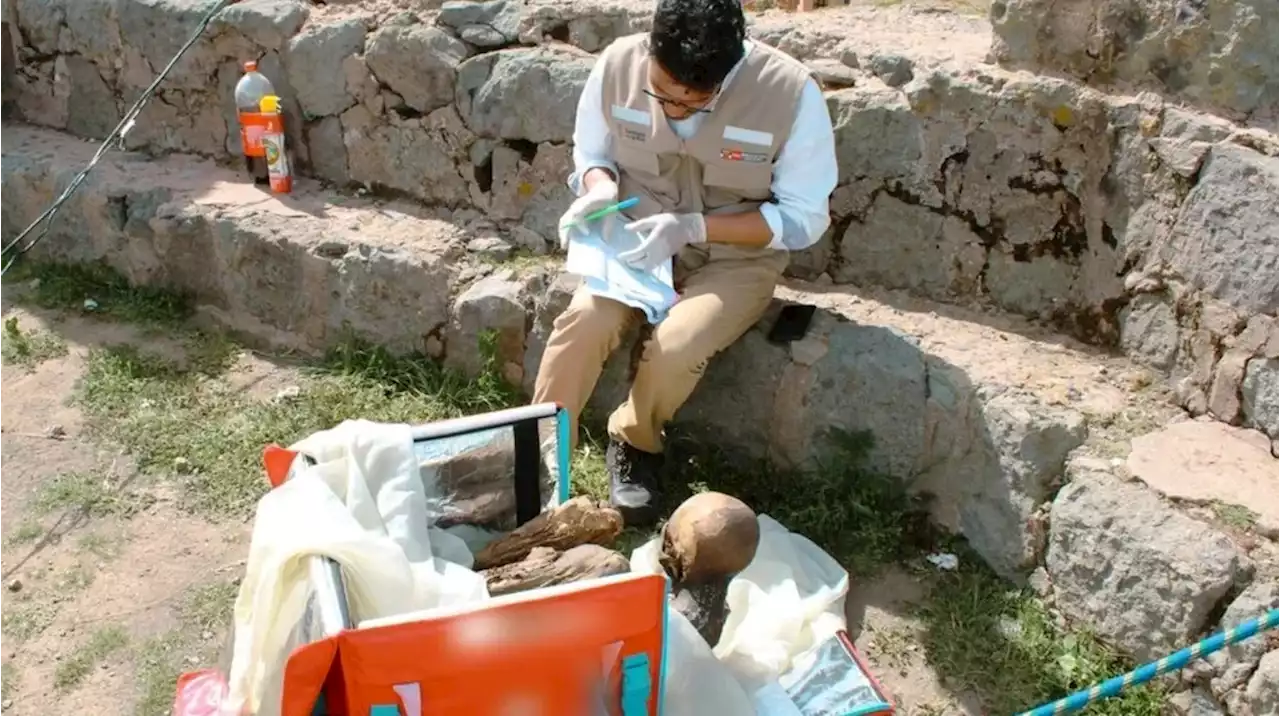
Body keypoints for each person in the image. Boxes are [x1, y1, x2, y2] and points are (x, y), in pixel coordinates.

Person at [532, 0, 839, 526]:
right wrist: (598, 188)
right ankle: (537, 454)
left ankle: (635, 442)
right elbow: (592, 154)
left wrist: (694, 227)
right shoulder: (617, 64)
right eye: (662, 96)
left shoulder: (791, 93)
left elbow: (804, 218)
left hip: (737, 258)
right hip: (635, 243)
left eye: (694, 103)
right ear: (650, 48)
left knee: (678, 343)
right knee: (584, 320)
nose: (674, 111)